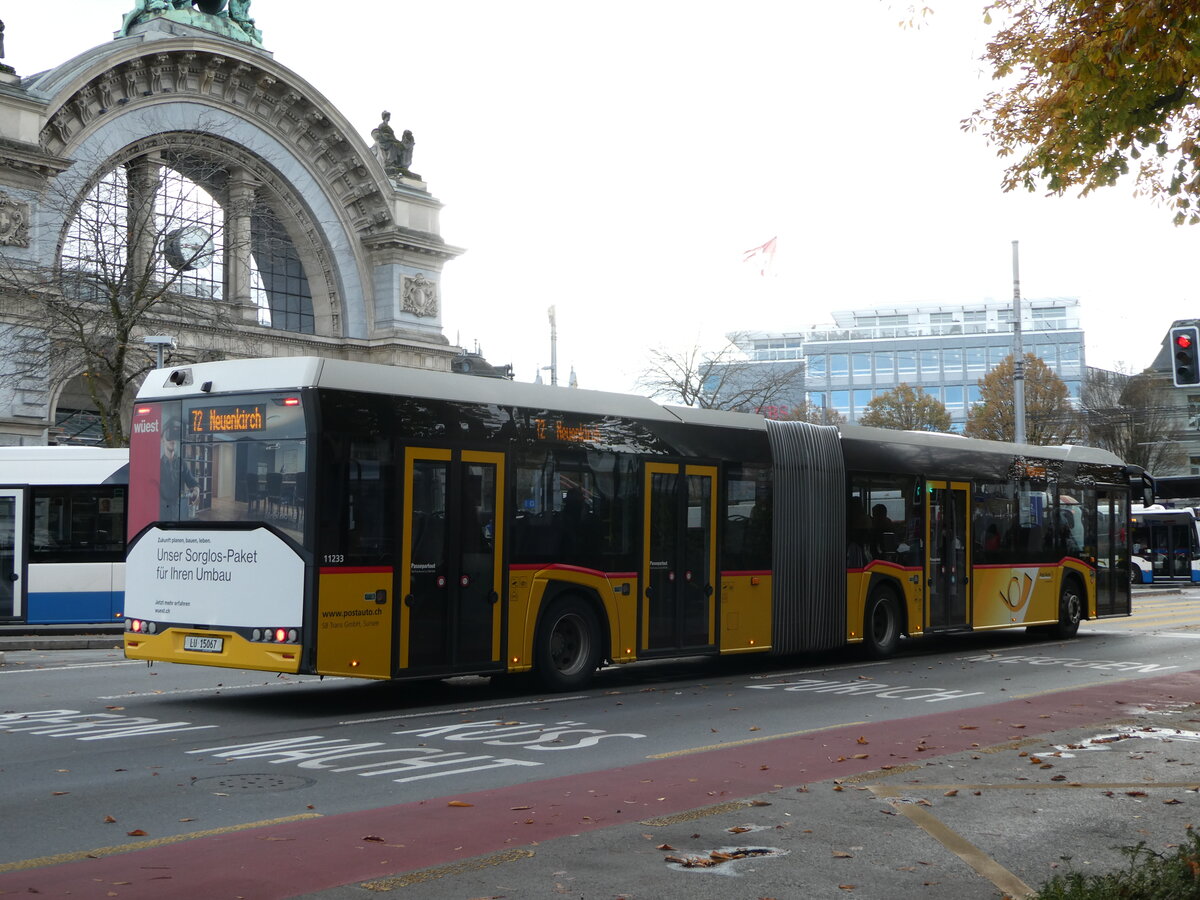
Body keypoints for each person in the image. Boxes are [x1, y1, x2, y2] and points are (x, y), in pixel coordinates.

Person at [160, 419, 198, 518]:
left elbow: (192, 482)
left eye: (175, 435)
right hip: (162, 512)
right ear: (162, 439)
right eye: (169, 435)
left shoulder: (182, 463)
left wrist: (196, 490)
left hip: (179, 512)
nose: (172, 440)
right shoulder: (156, 464)